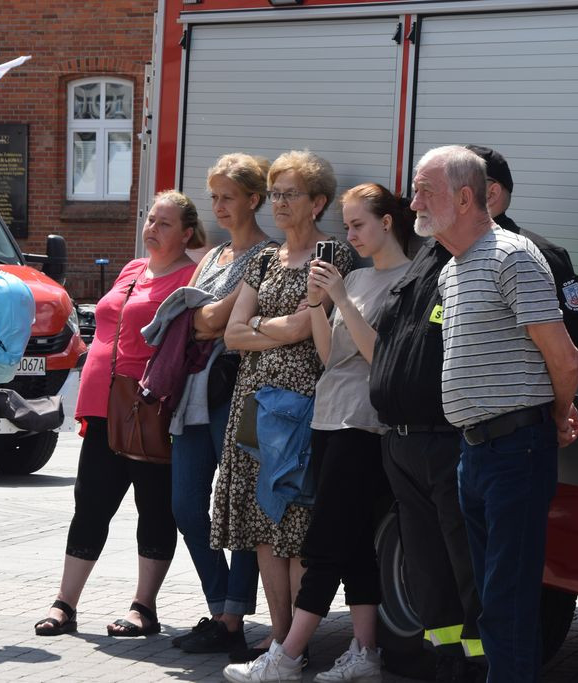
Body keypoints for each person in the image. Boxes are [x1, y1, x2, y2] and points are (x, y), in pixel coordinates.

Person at [223, 183, 412, 682]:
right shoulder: (365, 277)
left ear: (387, 223)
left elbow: (382, 360)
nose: (349, 236)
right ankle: (366, 652)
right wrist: (317, 305)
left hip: (363, 425)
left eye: (358, 225)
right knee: (351, 547)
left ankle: (286, 656)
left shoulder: (407, 281)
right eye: (346, 226)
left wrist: (341, 299)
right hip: (329, 416)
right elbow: (330, 359)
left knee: (324, 542)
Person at [410, 145, 578, 682]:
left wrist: (556, 415)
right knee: (489, 600)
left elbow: (564, 355)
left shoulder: (513, 256)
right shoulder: (453, 268)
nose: (412, 200)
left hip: (516, 450)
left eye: (425, 190)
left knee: (506, 603)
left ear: (465, 198)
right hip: (474, 453)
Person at [33, 190, 203, 638]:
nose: (152, 228)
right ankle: (64, 603)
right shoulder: (132, 269)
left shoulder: (192, 276)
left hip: (147, 408)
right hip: (103, 406)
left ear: (187, 233)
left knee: (153, 508)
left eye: (165, 223)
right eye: (150, 219)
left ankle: (143, 608)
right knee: (90, 505)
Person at [211, 149, 354, 663]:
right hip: (253, 404)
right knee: (262, 527)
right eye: (274, 193)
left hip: (300, 406)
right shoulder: (267, 258)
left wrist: (261, 330)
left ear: (318, 202)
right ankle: (278, 638)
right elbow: (231, 334)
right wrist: (275, 330)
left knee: (293, 526)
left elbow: (305, 329)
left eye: (289, 194)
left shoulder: (333, 257)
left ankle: (298, 645)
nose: (278, 203)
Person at [369, 228, 485, 679]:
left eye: (426, 191)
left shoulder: (499, 254)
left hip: (450, 438)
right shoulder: (429, 255)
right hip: (402, 440)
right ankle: (448, 658)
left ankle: (479, 663)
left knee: (467, 562)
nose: (415, 201)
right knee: (427, 564)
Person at [171, 153, 275, 654]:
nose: (217, 207)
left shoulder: (266, 256)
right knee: (186, 504)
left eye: (227, 197)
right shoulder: (214, 256)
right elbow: (196, 322)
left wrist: (201, 316)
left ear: (254, 200)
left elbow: (210, 323)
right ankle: (219, 607)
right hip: (193, 393)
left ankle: (234, 617)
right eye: (213, 197)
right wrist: (202, 317)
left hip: (238, 392)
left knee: (239, 506)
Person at [464, 145, 578, 370]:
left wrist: (537, 402)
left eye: (457, 185)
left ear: (491, 194)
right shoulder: (437, 250)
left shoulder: (541, 255)